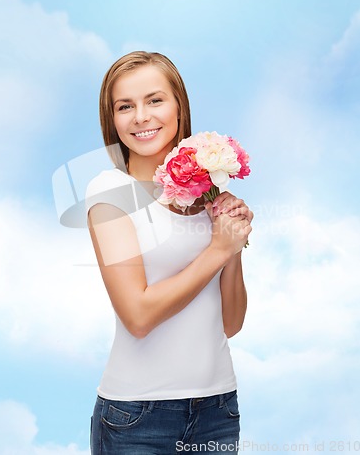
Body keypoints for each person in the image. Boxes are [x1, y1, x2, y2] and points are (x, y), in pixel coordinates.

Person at [86, 51, 253, 454]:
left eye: (155, 100)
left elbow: (231, 323)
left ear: (180, 106)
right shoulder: (110, 192)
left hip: (218, 409)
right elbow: (138, 316)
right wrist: (217, 250)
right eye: (125, 106)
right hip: (138, 417)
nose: (141, 116)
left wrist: (232, 244)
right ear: (113, 121)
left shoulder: (207, 197)